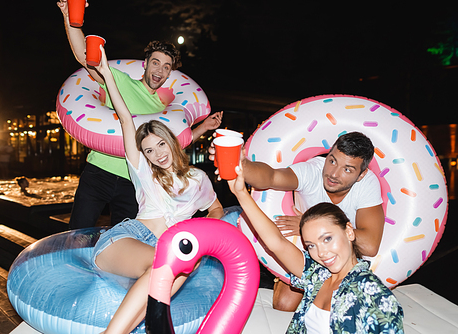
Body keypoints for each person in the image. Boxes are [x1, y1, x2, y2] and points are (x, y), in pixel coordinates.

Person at [90, 46, 224, 334]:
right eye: (149, 150)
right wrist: (106, 75)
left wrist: (202, 233)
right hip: (128, 239)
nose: (157, 154)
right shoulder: (144, 170)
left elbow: (215, 209)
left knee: (177, 265)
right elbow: (126, 118)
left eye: (161, 144)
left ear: (172, 142)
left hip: (168, 248)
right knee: (168, 264)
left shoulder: (198, 179)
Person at [57, 0, 223, 229]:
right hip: (99, 173)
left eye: (167, 67)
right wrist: (69, 16)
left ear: (170, 74)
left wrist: (203, 128)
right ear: (145, 64)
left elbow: (170, 145)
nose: (160, 70)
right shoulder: (121, 82)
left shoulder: (163, 109)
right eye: (156, 63)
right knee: (77, 234)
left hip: (134, 182)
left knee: (123, 240)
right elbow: (83, 56)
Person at [211, 131, 385, 311]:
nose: (333, 173)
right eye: (332, 160)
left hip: (338, 252)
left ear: (361, 174)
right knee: (284, 305)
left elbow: (370, 245)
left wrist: (310, 226)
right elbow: (271, 177)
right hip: (303, 250)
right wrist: (241, 165)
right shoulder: (313, 171)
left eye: (347, 169)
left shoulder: (367, 185)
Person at [228, 167, 404, 333]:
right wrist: (241, 193)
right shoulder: (318, 274)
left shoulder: (376, 296)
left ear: (349, 232)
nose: (321, 253)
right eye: (311, 245)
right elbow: (277, 242)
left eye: (327, 239)